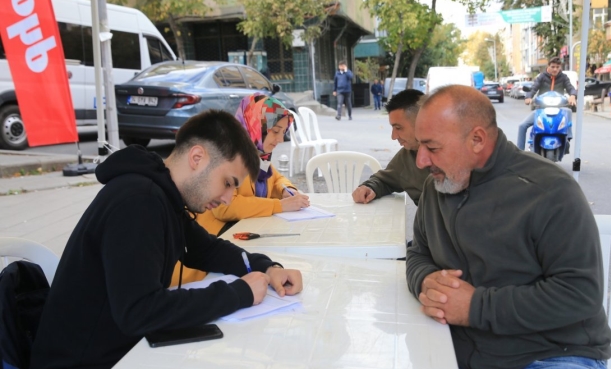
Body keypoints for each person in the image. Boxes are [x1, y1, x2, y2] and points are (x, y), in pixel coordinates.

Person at [30, 110, 303, 369]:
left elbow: (206, 249)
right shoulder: (139, 201)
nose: (228, 198)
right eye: (228, 183)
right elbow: (140, 312)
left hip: (124, 350)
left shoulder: (163, 195)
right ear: (197, 158)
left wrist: (267, 267)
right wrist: (238, 293)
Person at [406, 85, 611, 369]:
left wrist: (474, 307)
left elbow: (580, 294)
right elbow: (418, 253)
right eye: (419, 147)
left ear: (477, 139)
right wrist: (426, 281)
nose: (421, 161)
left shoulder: (550, 190)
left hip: (552, 354)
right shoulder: (436, 187)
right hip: (457, 349)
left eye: (432, 147)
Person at [173, 94, 310, 285]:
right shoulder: (231, 155)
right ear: (256, 125)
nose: (280, 139)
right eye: (275, 131)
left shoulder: (261, 156)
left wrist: (286, 189)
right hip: (203, 262)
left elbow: (275, 177)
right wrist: (279, 205)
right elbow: (225, 208)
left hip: (230, 249)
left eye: (283, 132)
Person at [351, 89, 431, 206]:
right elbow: (384, 180)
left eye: (398, 128)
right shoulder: (407, 156)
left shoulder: (460, 153)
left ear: (422, 123)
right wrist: (369, 188)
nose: (393, 137)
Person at [517, 57, 577, 151]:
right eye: (553, 67)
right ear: (548, 66)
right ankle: (519, 152)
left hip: (559, 108)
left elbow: (570, 88)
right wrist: (528, 97)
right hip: (541, 108)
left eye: (557, 67)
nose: (555, 69)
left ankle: (567, 138)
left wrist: (573, 95)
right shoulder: (541, 76)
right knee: (522, 125)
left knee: (568, 111)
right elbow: (534, 88)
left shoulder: (564, 77)